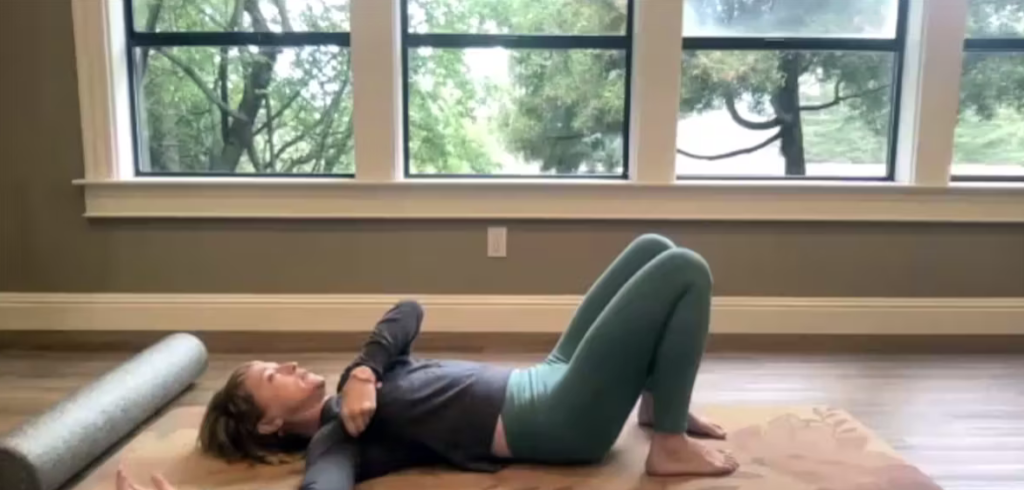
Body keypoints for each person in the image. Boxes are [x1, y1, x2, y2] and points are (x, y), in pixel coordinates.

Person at [116, 234, 738, 490]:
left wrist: (363, 372)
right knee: (684, 269)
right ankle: (669, 444)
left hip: (545, 373)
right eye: (270, 378)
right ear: (271, 424)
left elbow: (408, 308)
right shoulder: (338, 439)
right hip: (555, 418)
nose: (285, 364)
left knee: (653, 247)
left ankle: (659, 407)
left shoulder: (361, 383)